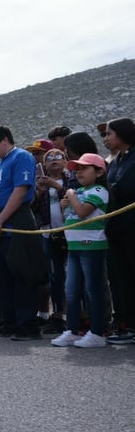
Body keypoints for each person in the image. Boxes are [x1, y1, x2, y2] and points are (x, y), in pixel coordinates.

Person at [0, 125, 47, 341]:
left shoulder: (21, 157)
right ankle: (8, 321)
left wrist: (0, 220)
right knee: (1, 277)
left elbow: (20, 191)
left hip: (15, 221)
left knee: (21, 275)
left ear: (4, 140)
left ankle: (26, 324)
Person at [50, 153, 110, 348]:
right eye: (77, 169)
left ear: (99, 172)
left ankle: (98, 332)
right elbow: (70, 216)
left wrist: (71, 196)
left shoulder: (99, 190)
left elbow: (84, 212)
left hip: (92, 246)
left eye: (85, 168)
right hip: (74, 247)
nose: (79, 172)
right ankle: (73, 330)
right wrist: (64, 205)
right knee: (71, 290)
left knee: (93, 290)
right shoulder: (78, 191)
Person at [103, 117, 135, 345]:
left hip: (132, 227)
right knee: (123, 278)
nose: (105, 139)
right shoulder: (116, 161)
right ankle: (128, 325)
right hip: (117, 228)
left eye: (108, 134)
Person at [32, 148, 70, 334]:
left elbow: (76, 196)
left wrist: (57, 186)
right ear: (44, 164)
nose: (54, 160)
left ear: (65, 160)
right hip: (48, 233)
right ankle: (57, 316)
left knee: (72, 275)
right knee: (55, 276)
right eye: (49, 158)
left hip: (70, 233)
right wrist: (38, 193)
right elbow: (33, 209)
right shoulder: (41, 183)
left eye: (58, 157)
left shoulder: (72, 179)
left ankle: (72, 315)